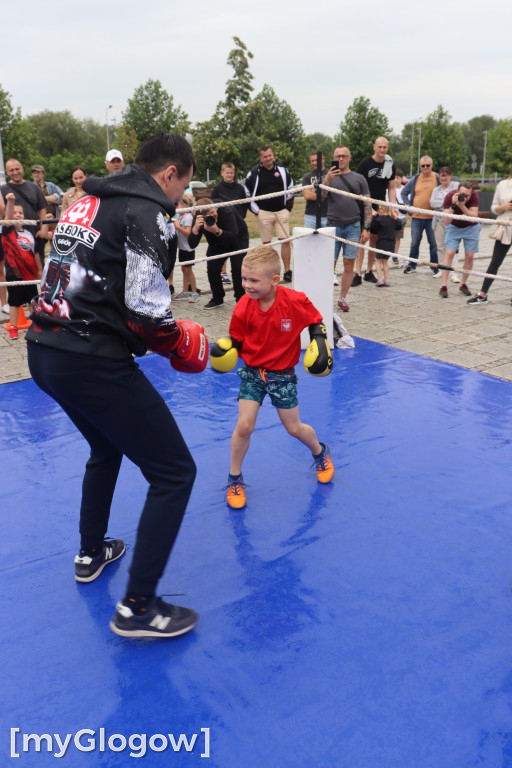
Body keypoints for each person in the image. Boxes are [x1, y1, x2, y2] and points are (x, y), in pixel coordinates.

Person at [26, 132, 206, 639]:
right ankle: (138, 607)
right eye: (183, 187)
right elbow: (148, 313)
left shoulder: (85, 202)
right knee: (175, 472)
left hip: (43, 352)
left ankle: (90, 551)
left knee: (105, 446)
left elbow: (63, 280)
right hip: (90, 361)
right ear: (169, 174)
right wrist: (182, 343)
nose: (180, 199)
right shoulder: (148, 215)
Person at [209, 245, 334, 510]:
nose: (246, 285)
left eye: (253, 280)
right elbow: (238, 340)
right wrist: (227, 347)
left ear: (274, 280)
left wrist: (319, 340)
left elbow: (315, 320)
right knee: (244, 426)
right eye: (244, 279)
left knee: (293, 428)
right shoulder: (244, 305)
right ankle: (234, 478)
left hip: (283, 375)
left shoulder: (294, 300)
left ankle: (320, 452)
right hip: (253, 374)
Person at [322, 146, 372, 312]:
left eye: (344, 156)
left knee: (349, 262)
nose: (341, 159)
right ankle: (324, 297)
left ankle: (342, 298)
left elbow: (367, 204)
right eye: (338, 156)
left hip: (353, 225)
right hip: (333, 225)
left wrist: (367, 228)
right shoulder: (327, 177)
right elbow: (320, 198)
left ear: (350, 158)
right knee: (329, 264)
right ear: (334, 158)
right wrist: (327, 180)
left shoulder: (359, 179)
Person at [244, 146, 294, 281]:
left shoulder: (282, 170)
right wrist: (257, 211)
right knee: (267, 244)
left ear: (273, 155)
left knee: (285, 241)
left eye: (270, 155)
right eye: (265, 156)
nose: (268, 158)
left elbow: (291, 188)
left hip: (281, 211)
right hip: (264, 212)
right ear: (261, 158)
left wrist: (287, 208)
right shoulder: (254, 172)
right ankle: (270, 271)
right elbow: (247, 193)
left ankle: (288, 270)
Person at [353, 137, 396, 285]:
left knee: (375, 240)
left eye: (385, 147)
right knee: (362, 239)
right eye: (380, 147)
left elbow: (391, 188)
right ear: (374, 147)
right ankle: (357, 273)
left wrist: (392, 206)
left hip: (380, 207)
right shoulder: (365, 164)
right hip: (364, 204)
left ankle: (369, 271)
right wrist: (368, 206)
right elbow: (358, 187)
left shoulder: (389, 164)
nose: (382, 150)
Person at [188, 197, 246, 309]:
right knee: (212, 268)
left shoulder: (226, 210)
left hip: (238, 238)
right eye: (208, 215)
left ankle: (241, 298)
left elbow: (234, 237)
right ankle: (217, 297)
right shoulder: (198, 217)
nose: (213, 216)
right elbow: (191, 245)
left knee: (237, 268)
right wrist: (195, 229)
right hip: (216, 242)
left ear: (215, 207)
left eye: (213, 212)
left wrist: (216, 230)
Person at [467, 169, 512, 305]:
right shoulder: (503, 184)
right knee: (495, 261)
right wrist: (503, 207)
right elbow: (494, 207)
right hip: (505, 226)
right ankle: (483, 294)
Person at [1, 193, 42, 339]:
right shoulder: (7, 231)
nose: (18, 215)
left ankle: (34, 324)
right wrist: (10, 202)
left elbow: (35, 252)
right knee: (15, 303)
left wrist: (39, 270)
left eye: (21, 213)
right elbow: (8, 219)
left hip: (30, 274)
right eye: (15, 213)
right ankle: (13, 327)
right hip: (15, 274)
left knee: (33, 300)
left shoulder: (29, 232)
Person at [1, 158, 48, 268]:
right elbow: (3, 214)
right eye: (11, 170)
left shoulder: (34, 187)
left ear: (22, 169)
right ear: (7, 172)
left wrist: (43, 230)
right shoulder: (3, 190)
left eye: (17, 169)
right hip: (13, 238)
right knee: (17, 271)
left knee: (39, 268)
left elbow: (42, 209)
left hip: (34, 234)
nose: (15, 172)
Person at [439, 182, 480, 298]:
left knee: (470, 255)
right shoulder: (449, 197)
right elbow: (446, 222)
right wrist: (453, 205)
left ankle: (463, 284)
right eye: (463, 194)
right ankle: (444, 285)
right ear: (457, 191)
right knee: (450, 252)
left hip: (471, 226)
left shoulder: (475, 196)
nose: (465, 197)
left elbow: (474, 216)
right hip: (454, 226)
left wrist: (462, 206)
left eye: (468, 195)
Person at [401, 156, 440, 275]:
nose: (425, 168)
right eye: (423, 165)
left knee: (433, 244)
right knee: (414, 242)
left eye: (428, 165)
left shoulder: (437, 177)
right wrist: (409, 207)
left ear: (432, 165)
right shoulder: (415, 178)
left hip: (432, 218)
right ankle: (412, 264)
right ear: (420, 166)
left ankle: (434, 266)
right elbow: (404, 193)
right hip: (417, 217)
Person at [211, 162, 248, 284]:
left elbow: (244, 204)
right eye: (227, 172)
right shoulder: (217, 189)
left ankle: (239, 275)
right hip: (224, 224)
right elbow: (214, 204)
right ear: (222, 173)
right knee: (223, 248)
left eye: (231, 173)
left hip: (238, 223)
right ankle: (223, 273)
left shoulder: (239, 188)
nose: (229, 175)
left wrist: (241, 216)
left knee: (238, 252)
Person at [430, 167, 459, 281]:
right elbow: (432, 203)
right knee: (440, 246)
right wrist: (448, 201)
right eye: (442, 175)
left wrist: (443, 204)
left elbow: (457, 200)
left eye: (446, 175)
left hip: (452, 221)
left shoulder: (455, 186)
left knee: (452, 247)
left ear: (450, 176)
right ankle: (442, 269)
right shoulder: (436, 190)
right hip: (438, 221)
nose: (444, 177)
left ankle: (454, 272)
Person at [173, 194, 198, 303]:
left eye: (177, 205)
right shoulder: (179, 216)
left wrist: (178, 227)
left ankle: (194, 292)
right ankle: (184, 291)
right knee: (184, 269)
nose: (176, 207)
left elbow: (188, 233)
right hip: (182, 247)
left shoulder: (188, 217)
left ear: (184, 205)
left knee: (188, 270)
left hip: (188, 248)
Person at [369, 204, 402, 286]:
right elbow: (399, 226)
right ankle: (386, 280)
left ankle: (380, 279)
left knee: (378, 261)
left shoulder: (378, 219)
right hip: (391, 243)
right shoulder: (393, 219)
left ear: (380, 210)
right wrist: (395, 216)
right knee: (385, 261)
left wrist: (373, 216)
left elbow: (373, 229)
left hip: (381, 242)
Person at [302, 151, 329, 229]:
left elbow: (332, 193)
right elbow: (307, 196)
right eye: (312, 161)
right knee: (310, 240)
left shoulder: (330, 174)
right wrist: (324, 193)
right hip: (310, 216)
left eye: (317, 160)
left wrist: (314, 192)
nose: (314, 163)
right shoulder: (307, 177)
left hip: (327, 215)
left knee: (327, 240)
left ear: (323, 159)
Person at [388, 170, 408, 262]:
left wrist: (407, 214)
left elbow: (408, 203)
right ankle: (387, 252)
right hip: (390, 216)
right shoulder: (388, 189)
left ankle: (395, 254)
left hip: (401, 217)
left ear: (401, 178)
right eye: (394, 178)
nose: (396, 180)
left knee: (398, 237)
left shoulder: (405, 189)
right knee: (388, 236)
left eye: (398, 177)